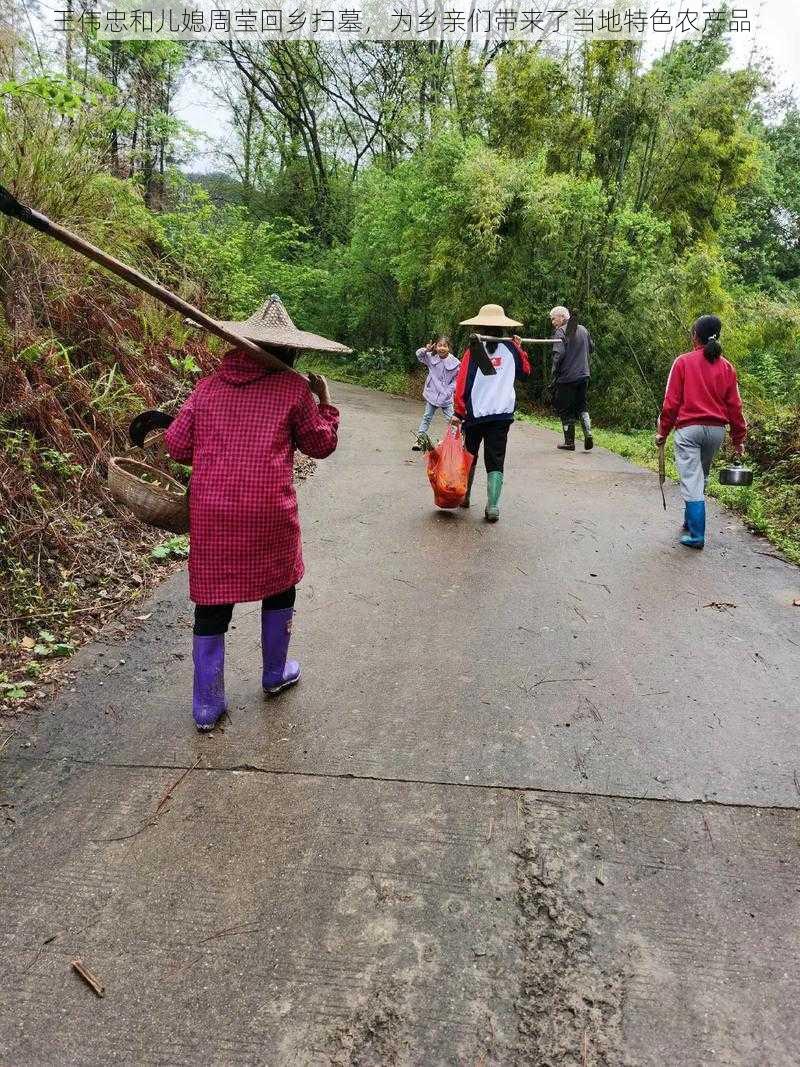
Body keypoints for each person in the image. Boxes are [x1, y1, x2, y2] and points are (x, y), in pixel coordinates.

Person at [163, 294, 348, 731]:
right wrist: (325, 402)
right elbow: (321, 444)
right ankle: (274, 673)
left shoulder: (206, 388)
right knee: (279, 587)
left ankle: (207, 704)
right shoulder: (292, 390)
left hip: (213, 513)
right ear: (289, 351)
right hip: (269, 511)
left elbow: (176, 445)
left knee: (212, 602)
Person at [655, 313, 747, 550]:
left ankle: (697, 535)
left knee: (691, 479)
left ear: (695, 336)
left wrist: (663, 431)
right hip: (716, 432)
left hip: (689, 430)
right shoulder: (727, 367)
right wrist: (738, 439)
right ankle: (689, 521)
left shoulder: (683, 362)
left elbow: (671, 402)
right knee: (700, 476)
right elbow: (735, 407)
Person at [450, 303, 531, 522]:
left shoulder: (473, 351)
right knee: (495, 458)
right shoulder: (512, 349)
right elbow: (525, 372)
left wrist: (458, 411)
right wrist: (520, 349)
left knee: (470, 454)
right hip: (502, 414)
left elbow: (462, 384)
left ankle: (464, 496)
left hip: (476, 414)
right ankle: (493, 506)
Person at [550, 306, 594, 451]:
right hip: (583, 375)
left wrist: (554, 375)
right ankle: (588, 432)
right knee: (582, 405)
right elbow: (592, 347)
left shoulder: (560, 331)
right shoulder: (583, 329)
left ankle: (569, 442)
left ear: (562, 317)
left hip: (567, 377)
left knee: (565, 409)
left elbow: (558, 355)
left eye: (553, 319)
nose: (552, 322)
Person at [412, 336, 460, 449]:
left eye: (444, 346)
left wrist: (449, 391)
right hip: (432, 394)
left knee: (452, 420)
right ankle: (420, 439)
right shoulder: (431, 357)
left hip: (446, 397)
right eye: (439, 345)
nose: (442, 348)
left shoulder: (455, 363)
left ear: (449, 348)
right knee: (427, 417)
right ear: (436, 346)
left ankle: (453, 442)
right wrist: (426, 349)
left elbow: (457, 380)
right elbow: (419, 355)